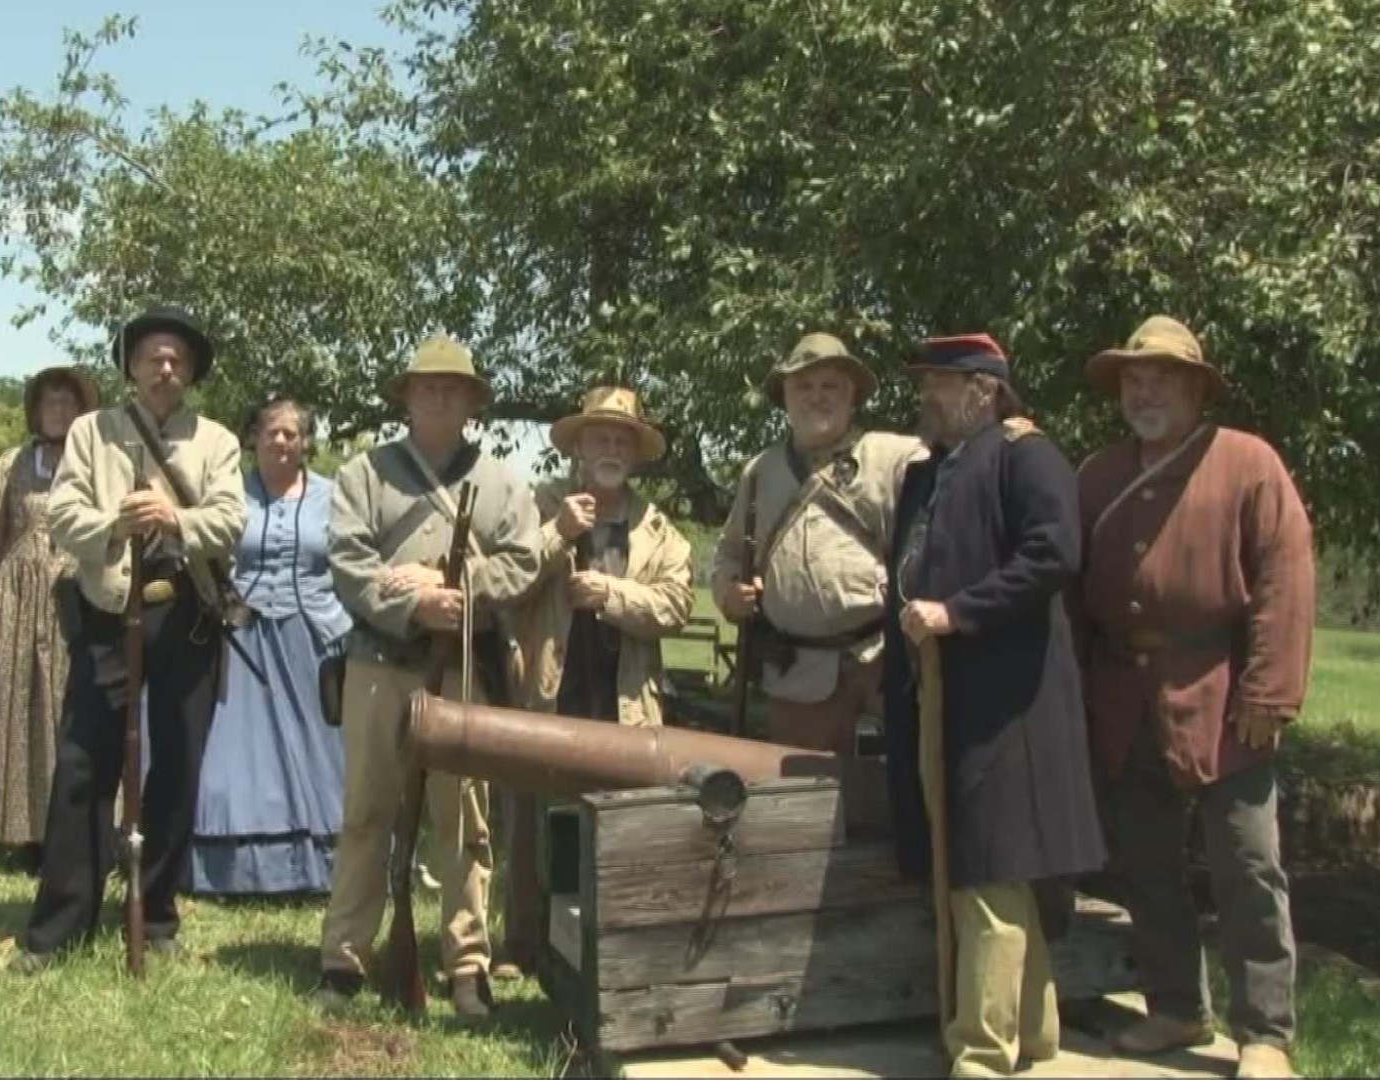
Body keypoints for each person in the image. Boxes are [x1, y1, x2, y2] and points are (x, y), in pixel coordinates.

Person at [1073, 316, 1314, 1080]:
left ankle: (1266, 1034)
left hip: (1223, 694)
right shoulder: (1099, 475)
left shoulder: (1247, 462)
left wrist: (1269, 689)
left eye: (1160, 378)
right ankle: (1176, 1008)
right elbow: (1074, 594)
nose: (1143, 392)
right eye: (1132, 380)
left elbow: (1284, 578)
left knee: (1247, 863)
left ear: (1195, 388)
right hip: (1122, 698)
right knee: (1145, 862)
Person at [883, 333, 1106, 1079]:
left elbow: (1051, 556)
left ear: (982, 389)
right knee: (982, 869)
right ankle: (1037, 1033)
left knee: (987, 870)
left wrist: (959, 613)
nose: (926, 397)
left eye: (939, 384)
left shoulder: (1025, 453)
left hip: (1008, 701)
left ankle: (980, 1054)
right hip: (940, 695)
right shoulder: (933, 469)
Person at [8, 304, 246, 972]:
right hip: (110, 613)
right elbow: (63, 514)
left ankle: (158, 914)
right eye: (151, 357)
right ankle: (60, 925)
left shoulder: (218, 440)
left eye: (176, 359)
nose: (164, 369)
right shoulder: (92, 432)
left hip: (189, 615)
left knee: (176, 766)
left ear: (190, 370)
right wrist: (119, 523)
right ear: (132, 366)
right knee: (85, 766)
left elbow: (229, 521)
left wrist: (173, 517)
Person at [311, 334, 542, 1020]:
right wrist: (412, 601)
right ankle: (344, 960)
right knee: (365, 816)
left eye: (453, 387)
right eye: (427, 386)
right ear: (407, 395)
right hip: (379, 665)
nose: (440, 395)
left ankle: (467, 964)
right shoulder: (366, 473)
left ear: (472, 401)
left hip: (463, 667)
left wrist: (459, 589)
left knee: (464, 824)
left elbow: (525, 561)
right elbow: (348, 563)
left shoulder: (501, 481)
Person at [499, 385, 694, 976]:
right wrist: (557, 531)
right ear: (577, 446)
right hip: (550, 691)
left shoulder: (660, 529)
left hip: (626, 698)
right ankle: (524, 944)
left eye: (621, 439)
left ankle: (611, 942)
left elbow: (676, 605)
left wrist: (610, 594)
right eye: (599, 436)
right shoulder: (537, 506)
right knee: (532, 822)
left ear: (635, 454)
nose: (610, 446)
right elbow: (505, 583)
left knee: (618, 822)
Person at [712, 332, 924, 752]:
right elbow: (730, 553)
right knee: (805, 806)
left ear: (853, 396)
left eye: (830, 386)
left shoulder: (898, 458)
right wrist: (729, 593)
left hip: (885, 665)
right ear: (786, 397)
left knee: (898, 801)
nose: (817, 397)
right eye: (803, 386)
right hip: (798, 678)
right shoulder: (760, 471)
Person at [187, 396, 351, 896]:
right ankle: (234, 870)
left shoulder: (333, 496)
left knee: (321, 756)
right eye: (272, 432)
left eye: (292, 434)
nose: (281, 441)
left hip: (314, 639)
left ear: (306, 444)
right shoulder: (230, 494)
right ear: (253, 438)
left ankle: (327, 867)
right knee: (236, 759)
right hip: (244, 637)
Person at [0, 366, 101, 864]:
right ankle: (23, 833)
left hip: (74, 593)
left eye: (67, 402)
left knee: (69, 712)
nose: (57, 410)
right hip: (17, 597)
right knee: (21, 709)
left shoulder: (95, 462)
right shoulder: (12, 463)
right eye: (49, 401)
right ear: (35, 409)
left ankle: (72, 831)